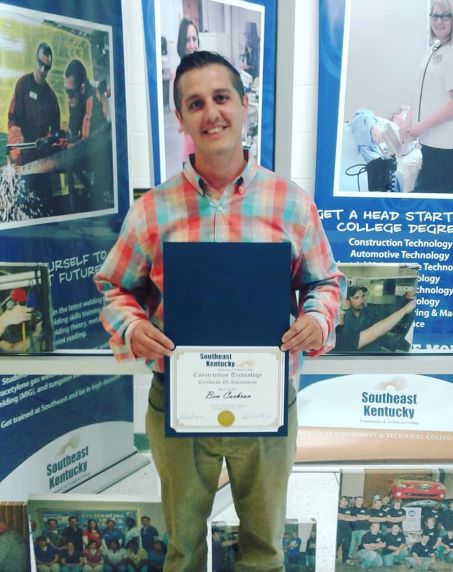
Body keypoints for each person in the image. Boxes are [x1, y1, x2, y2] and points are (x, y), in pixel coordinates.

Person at [95, 50, 344, 572]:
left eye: (221, 97)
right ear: (182, 119)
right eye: (195, 103)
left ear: (245, 105)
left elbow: (325, 282)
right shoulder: (151, 211)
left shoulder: (291, 203)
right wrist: (133, 327)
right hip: (179, 406)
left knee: (265, 549)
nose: (212, 113)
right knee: (183, 551)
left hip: (267, 406)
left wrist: (317, 319)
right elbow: (115, 288)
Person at [401, 0, 453, 193]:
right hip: (428, 138)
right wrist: (408, 121)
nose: (438, 21)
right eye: (435, 15)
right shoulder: (434, 46)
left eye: (445, 16)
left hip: (445, 140)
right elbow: (422, 91)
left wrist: (420, 126)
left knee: (434, 195)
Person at [7, 42, 62, 216]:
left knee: (44, 203)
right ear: (35, 60)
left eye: (47, 67)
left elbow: (56, 131)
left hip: (41, 158)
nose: (42, 70)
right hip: (23, 157)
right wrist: (17, 140)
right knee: (23, 203)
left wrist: (49, 139)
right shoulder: (23, 84)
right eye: (40, 63)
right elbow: (13, 117)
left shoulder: (51, 97)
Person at [63, 59, 109, 211]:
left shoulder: (91, 99)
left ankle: (94, 193)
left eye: (70, 92)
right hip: (89, 152)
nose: (68, 97)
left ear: (82, 88)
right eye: (66, 91)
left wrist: (68, 144)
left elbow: (85, 141)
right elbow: (72, 131)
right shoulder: (74, 101)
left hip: (102, 155)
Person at [334, 285, 416, 353]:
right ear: (348, 301)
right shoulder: (342, 320)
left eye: (362, 296)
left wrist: (405, 298)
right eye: (356, 298)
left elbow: (389, 310)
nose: (362, 300)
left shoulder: (370, 312)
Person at [176, 18, 200, 165]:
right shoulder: (178, 78)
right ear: (181, 44)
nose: (192, 45)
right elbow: (182, 125)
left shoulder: (202, 72)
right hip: (192, 158)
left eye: (194, 39)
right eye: (187, 40)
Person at [336, 496, 355, 566]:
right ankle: (334, 556)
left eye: (346, 501)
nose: (345, 502)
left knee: (346, 545)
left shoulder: (350, 509)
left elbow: (355, 518)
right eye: (343, 500)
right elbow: (339, 516)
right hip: (339, 529)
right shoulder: (336, 509)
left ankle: (345, 559)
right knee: (336, 544)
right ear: (340, 501)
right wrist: (348, 517)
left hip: (348, 530)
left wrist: (345, 517)